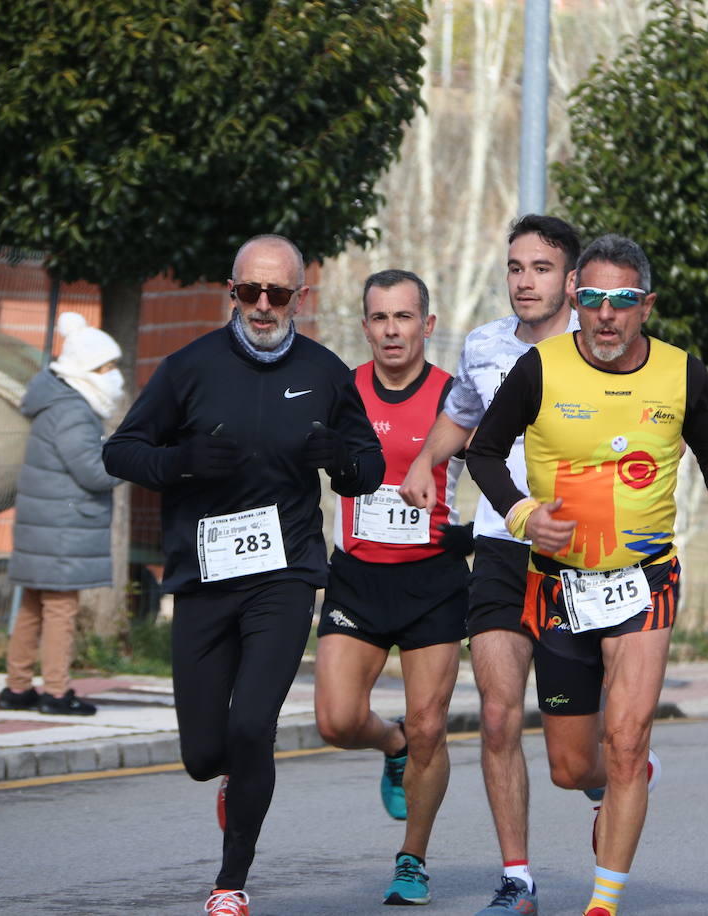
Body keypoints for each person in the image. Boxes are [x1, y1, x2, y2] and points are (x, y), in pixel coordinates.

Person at [102, 234, 384, 916]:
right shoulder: (189, 367)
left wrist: (339, 461)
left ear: (298, 298)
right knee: (205, 753)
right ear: (233, 293)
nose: (263, 306)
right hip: (204, 575)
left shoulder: (324, 372)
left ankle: (231, 882)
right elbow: (121, 452)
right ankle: (229, 777)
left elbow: (368, 466)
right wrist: (181, 462)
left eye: (278, 294)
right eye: (249, 293)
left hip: (284, 576)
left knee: (253, 725)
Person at [466, 234, 708, 916]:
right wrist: (525, 515)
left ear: (646, 306)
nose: (607, 315)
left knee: (625, 740)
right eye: (592, 299)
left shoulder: (683, 374)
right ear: (574, 300)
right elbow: (484, 454)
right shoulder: (538, 368)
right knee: (571, 767)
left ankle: (603, 902)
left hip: (645, 579)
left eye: (623, 301)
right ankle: (627, 780)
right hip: (561, 585)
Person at [399, 213, 583, 915]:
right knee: (501, 719)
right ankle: (518, 880)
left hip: (578, 554)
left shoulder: (595, 346)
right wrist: (424, 462)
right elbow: (461, 413)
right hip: (502, 544)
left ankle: (611, 778)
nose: (524, 281)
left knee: (581, 758)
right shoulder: (482, 344)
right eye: (515, 267)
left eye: (539, 268)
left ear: (570, 280)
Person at [313, 269, 471, 906]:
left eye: (403, 317)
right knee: (336, 720)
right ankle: (391, 740)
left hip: (432, 579)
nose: (391, 331)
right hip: (356, 576)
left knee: (432, 724)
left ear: (426, 325)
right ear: (365, 327)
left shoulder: (455, 396)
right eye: (379, 319)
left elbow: (501, 467)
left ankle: (413, 857)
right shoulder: (342, 390)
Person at [0, 312, 124, 716]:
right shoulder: (72, 409)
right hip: (63, 527)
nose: (115, 375)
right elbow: (92, 470)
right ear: (86, 370)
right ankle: (55, 692)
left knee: (33, 605)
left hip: (46, 524)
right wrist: (130, 461)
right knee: (60, 610)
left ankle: (17, 688)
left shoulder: (57, 401)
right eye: (108, 367)